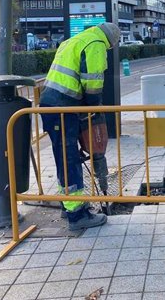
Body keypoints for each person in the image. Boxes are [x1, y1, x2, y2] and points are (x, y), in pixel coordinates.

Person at [39, 21, 121, 231]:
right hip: (62, 107)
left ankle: (68, 205)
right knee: (69, 158)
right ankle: (77, 215)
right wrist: (94, 110)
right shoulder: (96, 44)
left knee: (64, 157)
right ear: (111, 41)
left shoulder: (74, 40)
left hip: (52, 104)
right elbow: (93, 84)